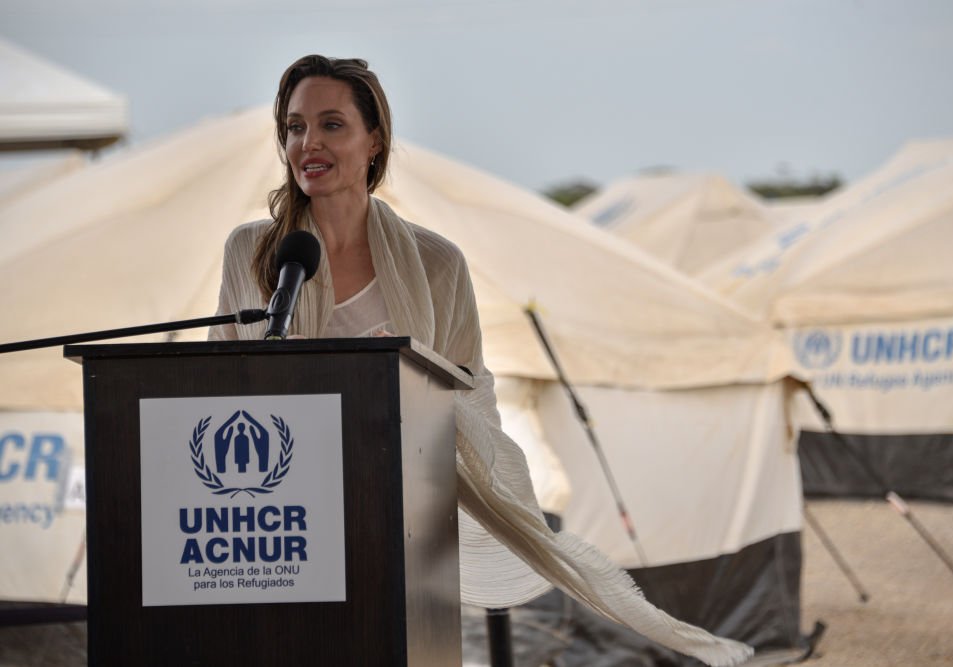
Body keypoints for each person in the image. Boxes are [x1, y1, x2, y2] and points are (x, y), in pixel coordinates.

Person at [210, 54, 751, 667]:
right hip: (271, 528)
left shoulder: (437, 263)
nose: (309, 142)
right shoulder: (251, 253)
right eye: (294, 126)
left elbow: (467, 394)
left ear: (374, 139)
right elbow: (217, 386)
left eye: (332, 124)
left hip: (396, 528)